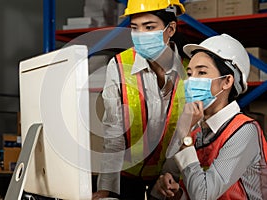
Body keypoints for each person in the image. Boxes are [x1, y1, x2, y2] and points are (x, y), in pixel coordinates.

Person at [151, 34, 267, 200]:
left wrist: (184, 136)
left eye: (202, 72)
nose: (191, 80)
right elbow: (167, 183)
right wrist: (174, 192)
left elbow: (203, 196)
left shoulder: (244, 131)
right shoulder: (194, 128)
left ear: (227, 81)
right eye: (190, 73)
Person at [92, 0, 187, 199]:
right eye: (135, 28)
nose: (141, 35)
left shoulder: (189, 71)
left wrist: (170, 177)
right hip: (125, 179)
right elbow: (114, 134)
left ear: (170, 29)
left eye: (149, 27)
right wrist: (105, 189)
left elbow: (185, 135)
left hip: (171, 178)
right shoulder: (119, 65)